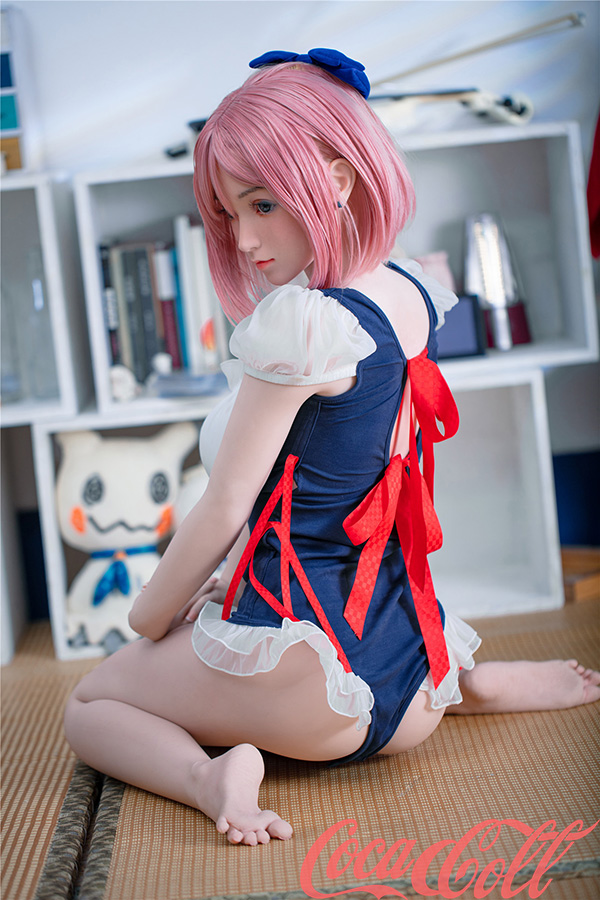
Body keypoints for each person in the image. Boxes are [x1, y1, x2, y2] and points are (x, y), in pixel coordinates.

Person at [64, 49, 600, 847]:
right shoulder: (408, 290)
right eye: (229, 213)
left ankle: (209, 777)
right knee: (205, 636)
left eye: (262, 204)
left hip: (313, 683)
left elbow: (226, 506)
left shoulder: (303, 325)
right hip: (410, 672)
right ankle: (471, 685)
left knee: (88, 704)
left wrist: (149, 618)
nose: (245, 239)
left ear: (338, 180)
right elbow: (346, 487)